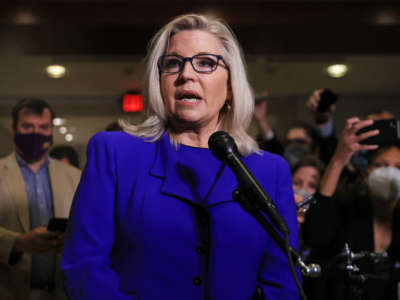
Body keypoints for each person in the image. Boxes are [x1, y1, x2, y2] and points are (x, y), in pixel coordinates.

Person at [61, 14, 300, 300]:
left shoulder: (270, 170)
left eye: (205, 63)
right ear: (159, 82)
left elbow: (282, 283)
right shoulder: (114, 153)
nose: (187, 74)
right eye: (173, 63)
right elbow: (84, 267)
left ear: (231, 86)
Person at [303, 116, 400, 300]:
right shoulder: (348, 209)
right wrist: (339, 159)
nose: (390, 172)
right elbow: (316, 235)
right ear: (367, 171)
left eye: (398, 167)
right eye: (381, 165)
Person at [0, 98, 81, 300]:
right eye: (28, 126)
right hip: (10, 289)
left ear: (51, 129)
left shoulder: (75, 176)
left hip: (62, 291)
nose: (36, 133)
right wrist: (16, 243)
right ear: (14, 128)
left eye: (43, 127)